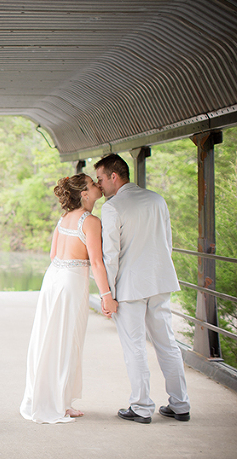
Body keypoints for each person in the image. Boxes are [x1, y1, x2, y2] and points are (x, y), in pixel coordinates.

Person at [94, 153, 191, 424]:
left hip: (130, 287)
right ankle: (180, 404)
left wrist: (107, 294)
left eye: (101, 179)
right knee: (167, 343)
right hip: (159, 281)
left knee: (134, 346)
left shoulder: (113, 207)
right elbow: (166, 242)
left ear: (114, 176)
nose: (99, 185)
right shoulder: (156, 199)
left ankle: (141, 406)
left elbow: (110, 255)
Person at [20, 173, 114, 423]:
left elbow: (53, 254)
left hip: (53, 279)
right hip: (71, 281)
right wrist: (106, 296)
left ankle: (57, 399)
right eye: (93, 184)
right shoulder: (91, 221)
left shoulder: (64, 218)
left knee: (49, 337)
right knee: (67, 339)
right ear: (84, 193)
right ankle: (58, 402)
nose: (98, 186)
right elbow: (96, 262)